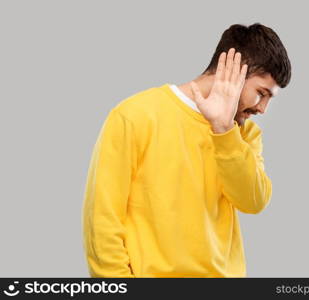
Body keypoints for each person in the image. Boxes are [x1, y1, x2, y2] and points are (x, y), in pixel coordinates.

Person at [82, 22, 291, 278]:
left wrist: (223, 130)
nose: (263, 109)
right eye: (261, 93)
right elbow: (102, 221)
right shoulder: (135, 116)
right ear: (235, 71)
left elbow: (253, 201)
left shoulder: (244, 134)